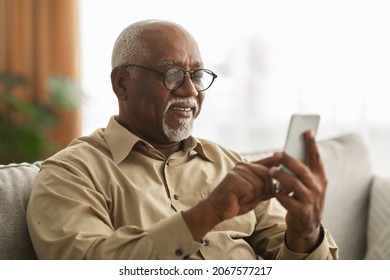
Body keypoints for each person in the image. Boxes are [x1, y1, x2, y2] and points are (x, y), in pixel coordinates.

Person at [26, 19, 338, 260]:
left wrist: (305, 231)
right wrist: (207, 213)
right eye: (172, 74)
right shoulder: (72, 173)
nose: (190, 90)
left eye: (198, 75)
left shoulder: (231, 164)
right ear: (122, 83)